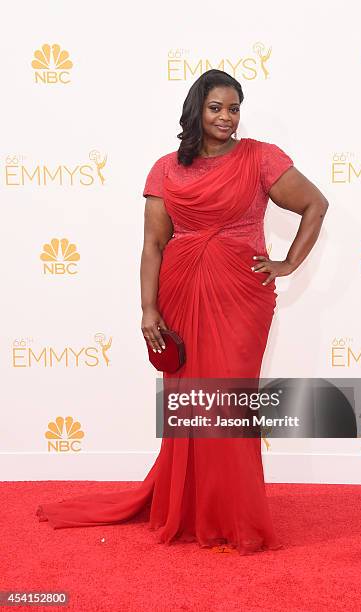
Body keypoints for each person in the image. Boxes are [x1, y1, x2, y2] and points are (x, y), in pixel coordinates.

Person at [36, 69, 329, 556]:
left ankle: (234, 516)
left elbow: (316, 204)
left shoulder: (261, 157)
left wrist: (287, 263)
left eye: (234, 108)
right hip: (181, 289)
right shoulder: (166, 169)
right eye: (216, 107)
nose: (226, 117)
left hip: (241, 293)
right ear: (197, 110)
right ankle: (191, 509)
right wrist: (148, 308)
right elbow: (153, 244)